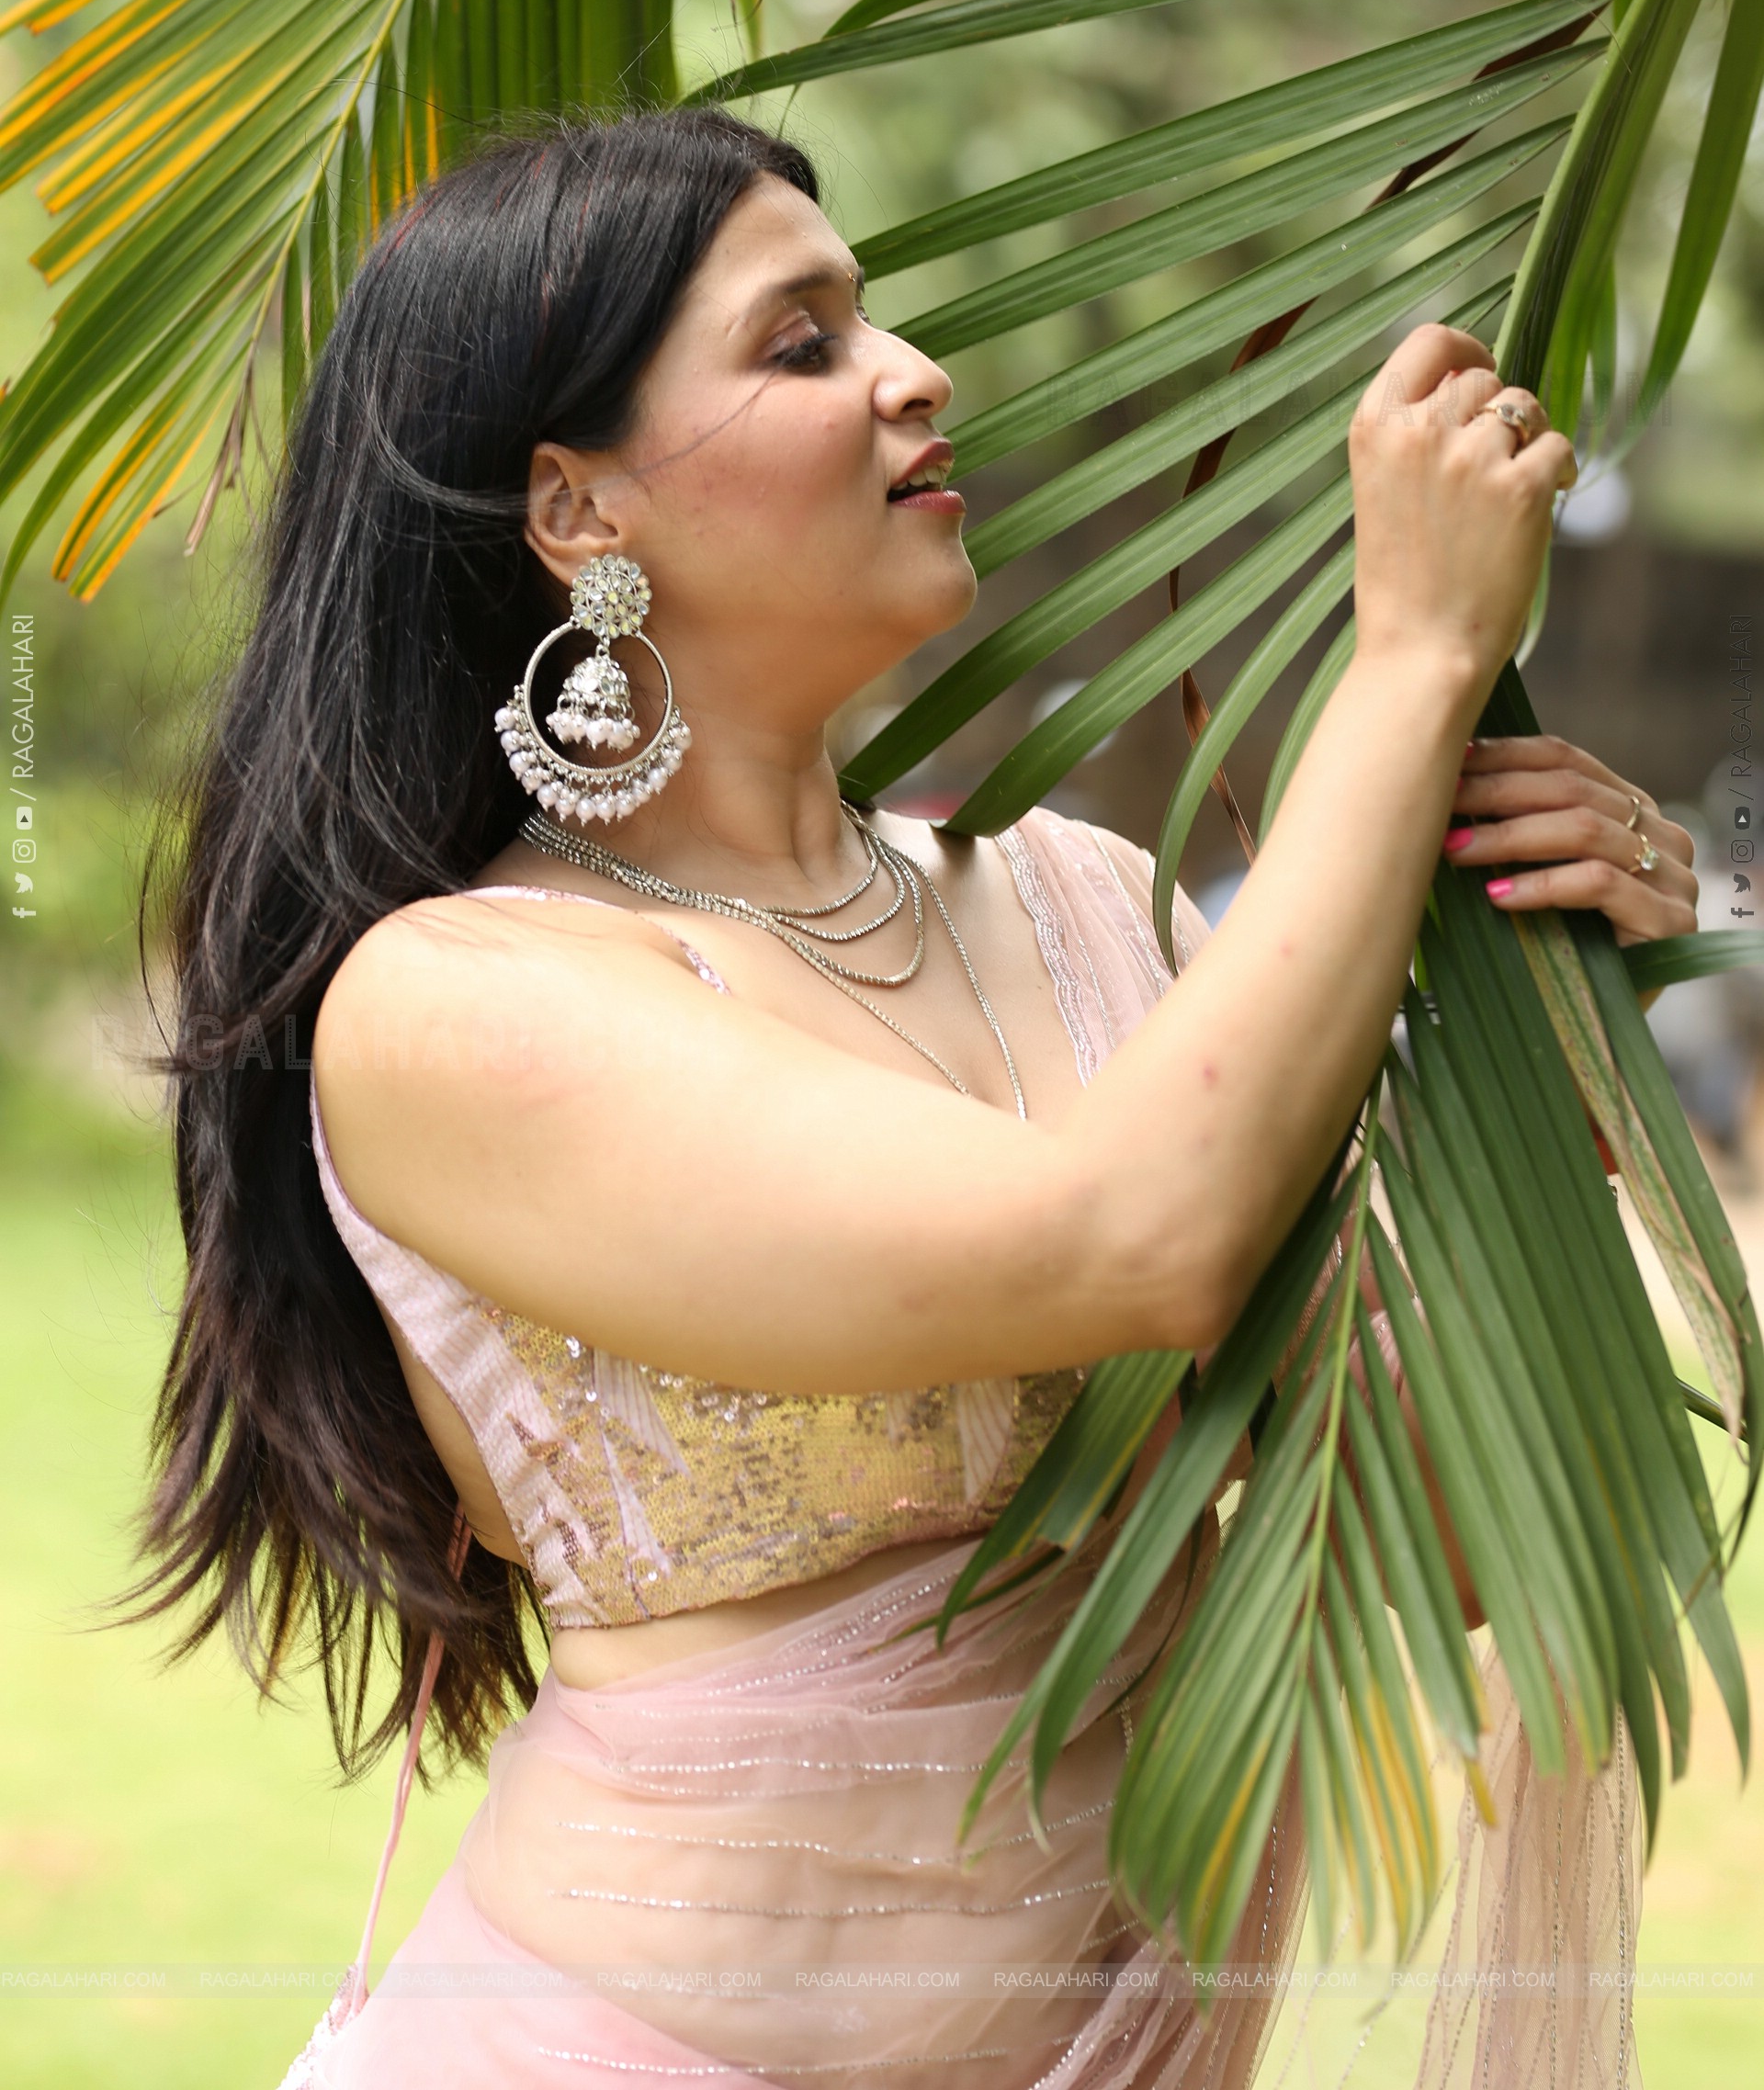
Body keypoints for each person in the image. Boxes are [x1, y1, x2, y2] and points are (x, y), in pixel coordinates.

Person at [134, 110, 1696, 2089]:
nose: (916, 371)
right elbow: (1141, 1241)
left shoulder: (1087, 908)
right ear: (580, 512)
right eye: (802, 344)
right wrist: (1414, 659)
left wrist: (1551, 1040)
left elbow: (1437, 1547)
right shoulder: (454, 1010)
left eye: (874, 314)